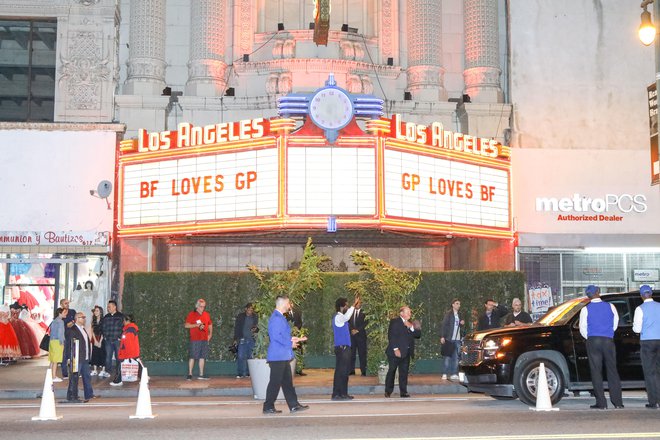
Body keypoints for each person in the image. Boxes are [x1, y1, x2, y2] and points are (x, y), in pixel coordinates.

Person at [579, 284, 624, 409]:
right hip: (608, 339)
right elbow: (615, 322)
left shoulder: (585, 309)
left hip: (593, 340)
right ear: (598, 292)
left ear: (588, 296)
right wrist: (608, 332)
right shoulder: (610, 306)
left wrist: (590, 337)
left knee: (596, 371)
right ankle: (617, 402)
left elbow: (582, 328)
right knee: (612, 370)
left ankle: (601, 403)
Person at [262, 295, 309, 415]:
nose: (290, 306)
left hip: (281, 356)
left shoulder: (279, 317)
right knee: (275, 382)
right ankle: (268, 406)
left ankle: (294, 405)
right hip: (278, 356)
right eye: (288, 304)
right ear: (283, 304)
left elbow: (281, 335)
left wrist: (294, 339)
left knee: (287, 383)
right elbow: (275, 337)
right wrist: (290, 343)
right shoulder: (277, 318)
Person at [632, 284, 660, 409]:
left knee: (650, 372)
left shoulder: (640, 309)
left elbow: (637, 329)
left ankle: (653, 401)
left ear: (641, 295)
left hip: (648, 342)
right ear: (651, 294)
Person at [384, 306, 421, 398]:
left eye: (410, 312)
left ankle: (403, 392)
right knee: (392, 371)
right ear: (401, 313)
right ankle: (388, 391)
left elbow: (418, 334)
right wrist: (396, 349)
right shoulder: (395, 321)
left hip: (406, 352)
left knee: (404, 373)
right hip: (395, 352)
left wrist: (411, 327)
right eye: (407, 312)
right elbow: (391, 336)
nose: (409, 314)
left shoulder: (411, 323)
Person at [331, 296, 360, 400]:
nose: (347, 307)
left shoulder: (339, 318)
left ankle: (341, 393)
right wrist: (353, 305)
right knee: (342, 372)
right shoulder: (339, 317)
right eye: (346, 305)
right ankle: (339, 394)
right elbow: (347, 317)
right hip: (342, 348)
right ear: (342, 307)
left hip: (343, 348)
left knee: (343, 371)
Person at [65, 312, 95, 403]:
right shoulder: (72, 329)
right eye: (83, 317)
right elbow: (69, 345)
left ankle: (89, 394)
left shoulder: (82, 329)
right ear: (77, 318)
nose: (84, 319)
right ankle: (72, 396)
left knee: (87, 376)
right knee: (74, 377)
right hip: (76, 358)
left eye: (84, 317)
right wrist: (69, 358)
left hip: (84, 357)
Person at [184, 298, 213, 380]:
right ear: (197, 306)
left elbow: (210, 324)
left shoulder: (206, 314)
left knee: (202, 357)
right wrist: (196, 325)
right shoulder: (192, 314)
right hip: (195, 339)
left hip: (204, 339)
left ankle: (201, 374)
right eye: (201, 306)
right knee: (192, 356)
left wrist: (210, 334)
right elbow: (186, 325)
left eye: (204, 307)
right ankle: (189, 374)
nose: (202, 308)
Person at [111, 314, 141, 386]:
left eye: (124, 320)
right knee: (137, 365)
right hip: (132, 352)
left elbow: (129, 343)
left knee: (120, 366)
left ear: (128, 321)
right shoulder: (130, 329)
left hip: (127, 352)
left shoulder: (129, 330)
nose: (123, 322)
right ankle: (144, 378)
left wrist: (127, 355)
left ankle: (118, 381)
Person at [439, 298, 464, 381]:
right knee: (447, 357)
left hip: (457, 339)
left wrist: (462, 324)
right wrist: (442, 336)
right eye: (457, 303)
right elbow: (444, 325)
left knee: (456, 357)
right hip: (449, 338)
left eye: (459, 304)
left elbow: (461, 326)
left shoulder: (460, 314)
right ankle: (444, 373)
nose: (458, 305)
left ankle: (454, 373)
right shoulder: (449, 314)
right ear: (453, 304)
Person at [233, 302, 258, 378]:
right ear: (246, 309)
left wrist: (256, 330)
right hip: (242, 339)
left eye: (252, 310)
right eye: (249, 309)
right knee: (240, 356)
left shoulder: (255, 317)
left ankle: (248, 373)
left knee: (250, 356)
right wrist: (235, 339)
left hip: (251, 339)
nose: (250, 311)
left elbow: (258, 328)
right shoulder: (240, 316)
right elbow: (237, 328)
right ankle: (240, 373)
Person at [100, 300, 123, 379]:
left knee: (118, 357)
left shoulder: (121, 316)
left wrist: (120, 337)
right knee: (108, 357)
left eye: (109, 306)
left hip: (117, 340)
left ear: (114, 307)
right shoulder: (106, 317)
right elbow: (103, 327)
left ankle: (119, 372)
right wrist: (105, 336)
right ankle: (108, 372)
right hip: (108, 340)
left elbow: (123, 327)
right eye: (107, 306)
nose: (108, 308)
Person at [349, 300, 368, 376]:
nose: (357, 304)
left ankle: (363, 370)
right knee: (351, 354)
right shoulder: (350, 312)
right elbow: (347, 322)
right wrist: (352, 330)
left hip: (361, 336)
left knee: (362, 354)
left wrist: (357, 330)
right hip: (352, 337)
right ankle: (351, 370)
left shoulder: (365, 313)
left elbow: (366, 323)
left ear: (361, 304)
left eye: (358, 303)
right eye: (355, 303)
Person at [287, 304, 306, 376]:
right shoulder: (284, 312)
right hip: (288, 335)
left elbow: (300, 322)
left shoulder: (297, 311)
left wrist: (296, 329)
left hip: (297, 334)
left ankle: (299, 370)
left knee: (299, 351)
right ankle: (290, 370)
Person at [60, 298, 77, 378]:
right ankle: (65, 373)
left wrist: (73, 322)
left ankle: (74, 372)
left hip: (73, 335)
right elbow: (67, 325)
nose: (67, 304)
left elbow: (76, 321)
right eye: (65, 303)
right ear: (61, 305)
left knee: (74, 354)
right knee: (64, 355)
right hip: (64, 336)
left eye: (68, 303)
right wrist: (73, 322)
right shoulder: (60, 313)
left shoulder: (73, 311)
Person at [48, 307, 66, 382]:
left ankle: (50, 375)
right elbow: (60, 333)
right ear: (60, 313)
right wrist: (62, 342)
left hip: (52, 341)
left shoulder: (54, 321)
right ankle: (54, 376)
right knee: (56, 360)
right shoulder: (60, 322)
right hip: (57, 342)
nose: (66, 314)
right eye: (64, 312)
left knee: (52, 360)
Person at [89, 305, 106, 376]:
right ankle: (95, 370)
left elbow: (103, 331)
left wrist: (100, 341)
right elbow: (92, 331)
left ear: (100, 312)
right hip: (95, 338)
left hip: (102, 338)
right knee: (94, 353)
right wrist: (95, 340)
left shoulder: (104, 320)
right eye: (95, 311)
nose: (95, 312)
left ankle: (103, 370)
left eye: (97, 311)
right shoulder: (93, 320)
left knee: (102, 354)